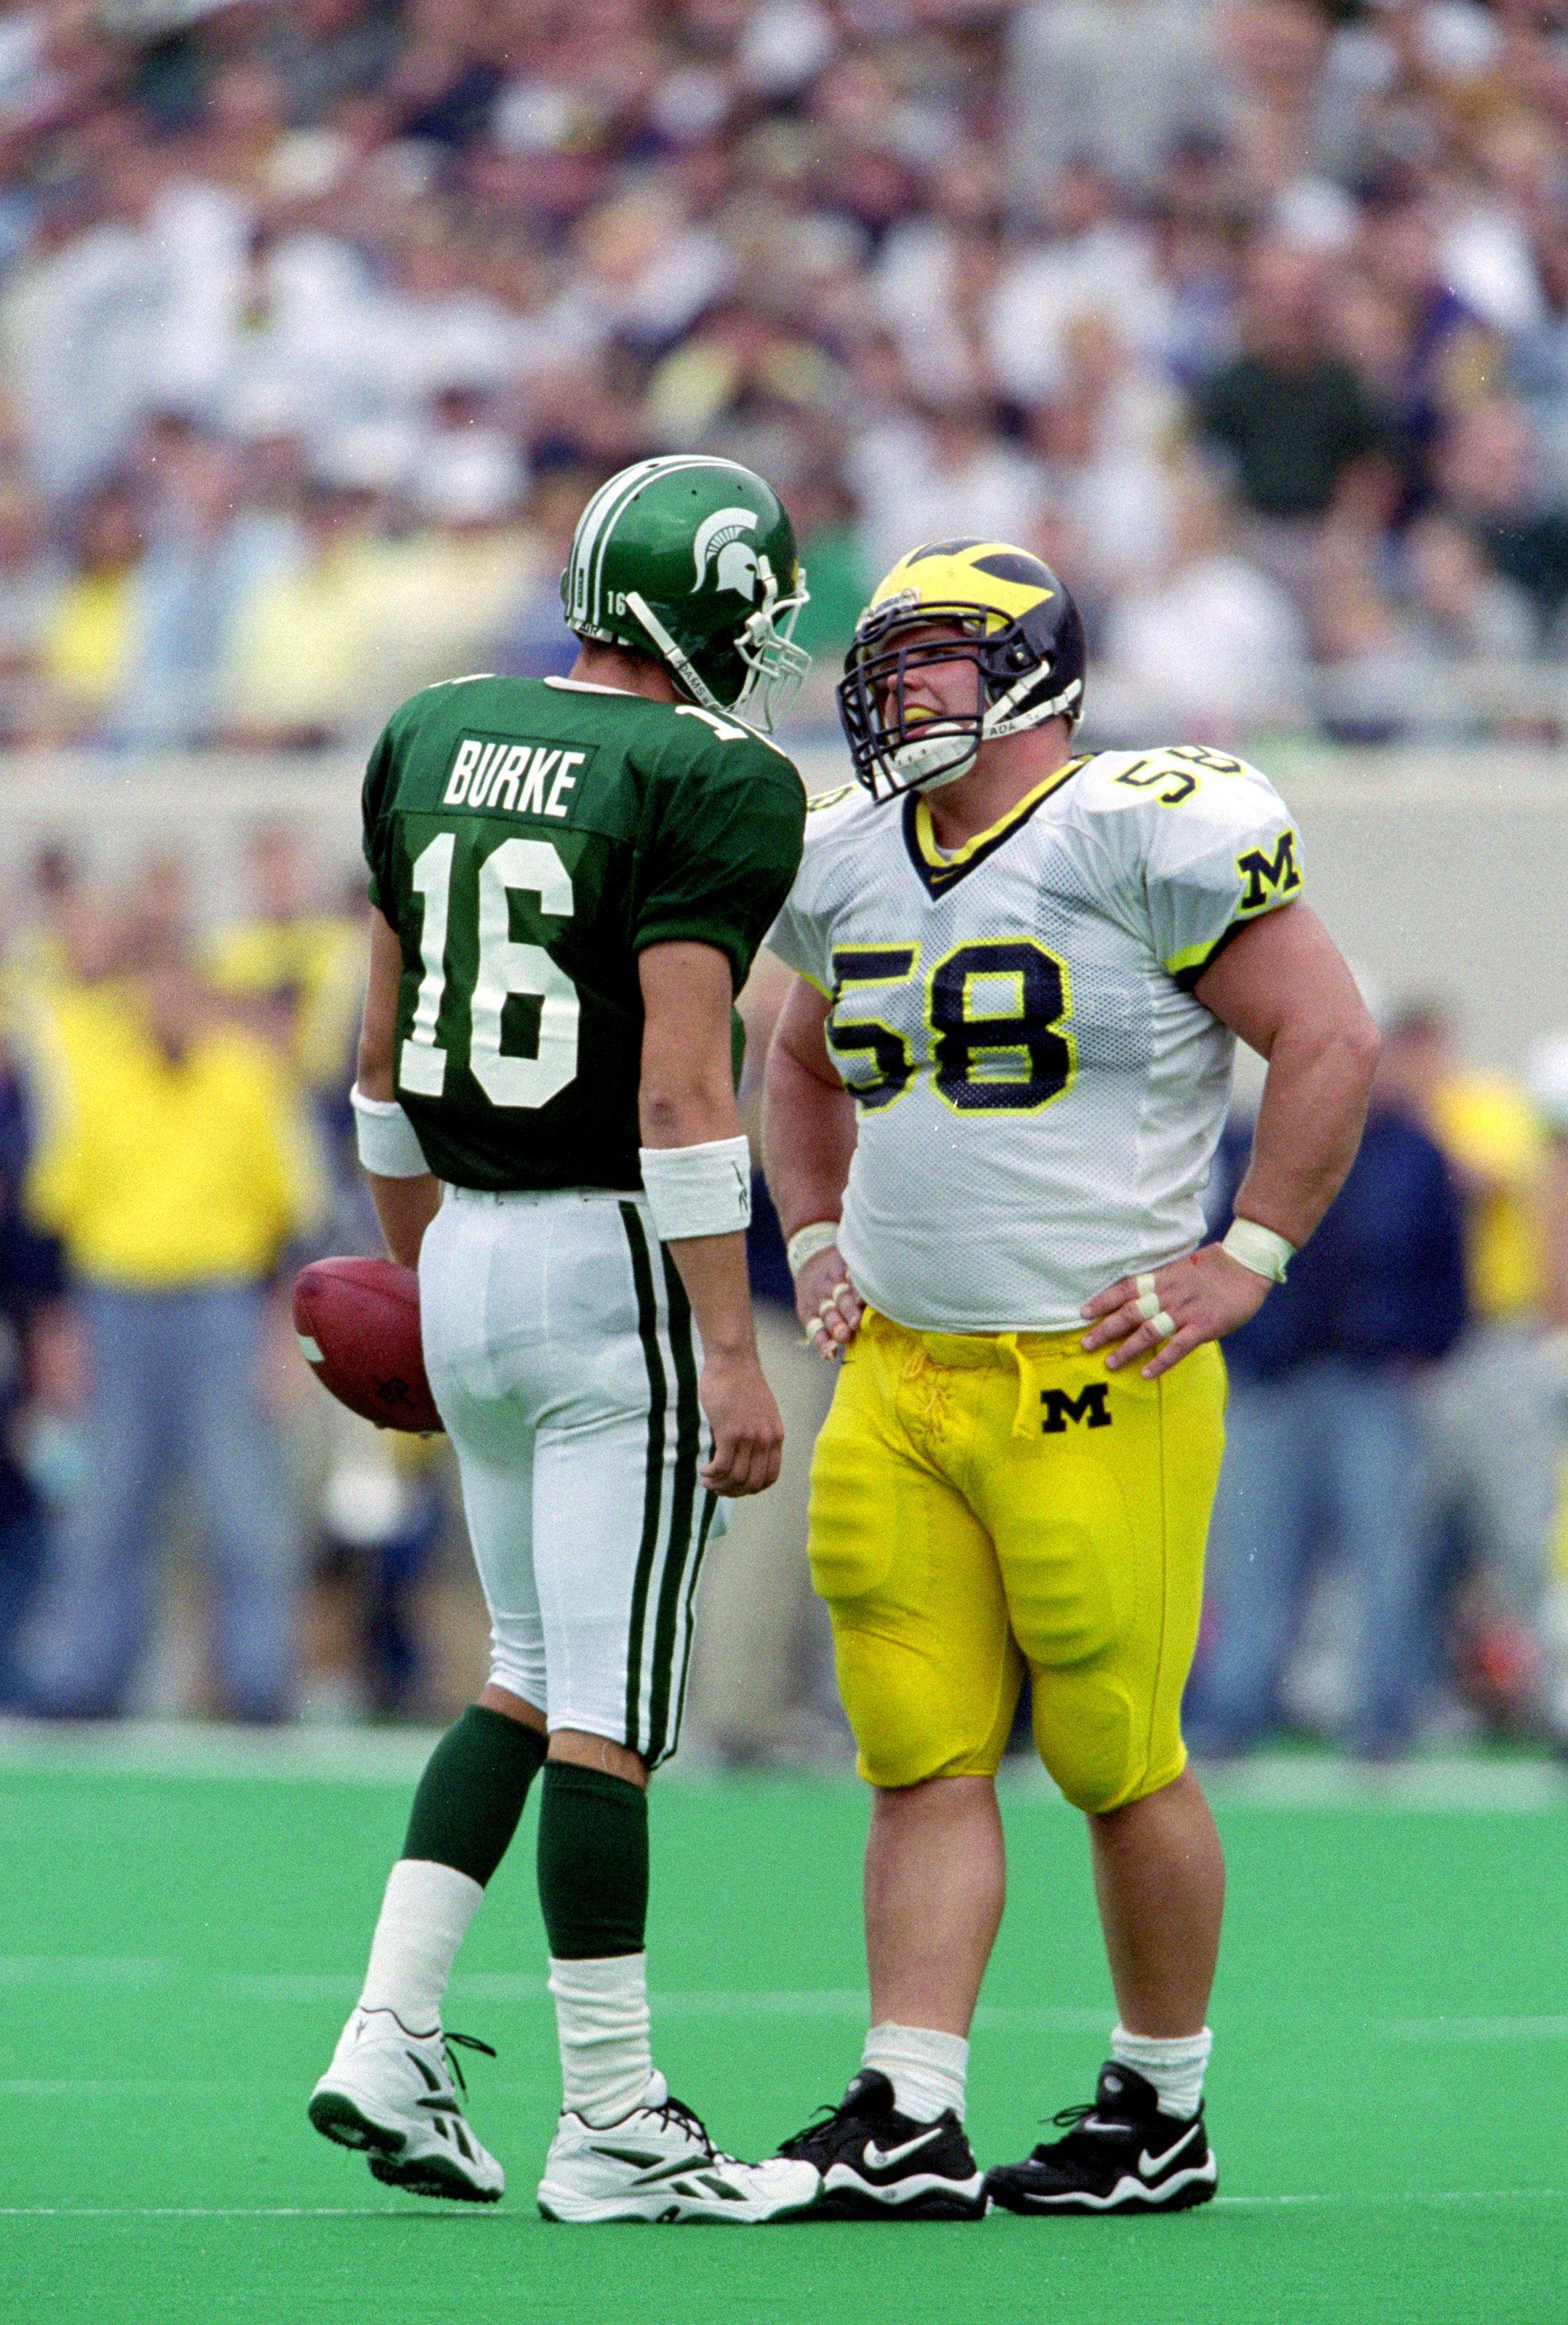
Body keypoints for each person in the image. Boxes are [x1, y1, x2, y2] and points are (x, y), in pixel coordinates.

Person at [761, 538, 1379, 2217]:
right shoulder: (843, 854)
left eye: (934, 657)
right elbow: (794, 1054)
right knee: (913, 1748)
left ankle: (1155, 2107)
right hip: (898, 1365)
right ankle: (906, 2106)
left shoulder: (1139, 826)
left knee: (1114, 1752)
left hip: (1092, 1367)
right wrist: (811, 1237)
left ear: (1032, 667)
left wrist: (1240, 1255)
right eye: (884, 660)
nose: (894, 691)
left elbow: (1326, 1033)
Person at [307, 454, 822, 2225]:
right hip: (611, 1257)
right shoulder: (712, 775)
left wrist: (429, 1277)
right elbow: (686, 1088)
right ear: (707, 604)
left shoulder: (430, 726)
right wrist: (730, 1346)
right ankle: (609, 2117)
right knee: (608, 1710)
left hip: (461, 1247)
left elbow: (378, 1066)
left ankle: (389, 2029)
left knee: (525, 1671)